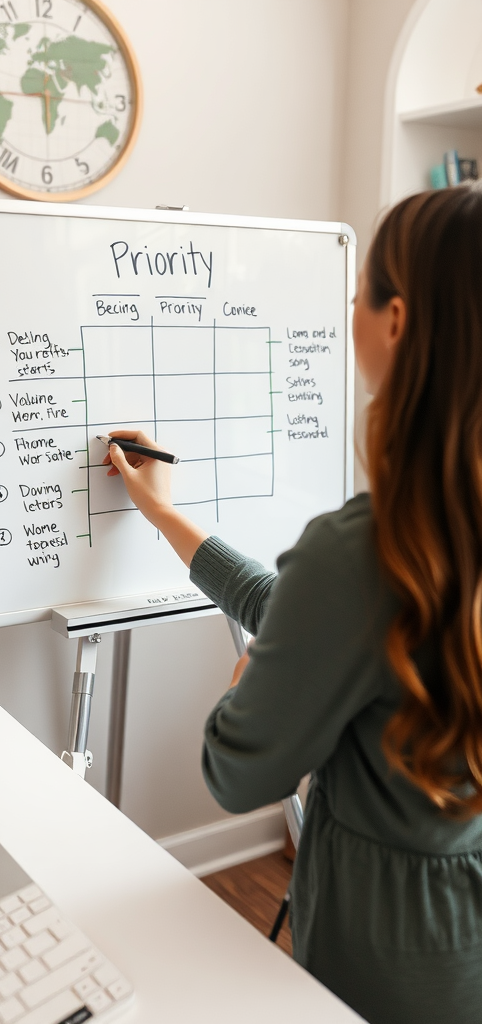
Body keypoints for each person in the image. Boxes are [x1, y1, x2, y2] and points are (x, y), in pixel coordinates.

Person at [102, 183, 482, 1024]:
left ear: (397, 321)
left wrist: (246, 683)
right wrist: (165, 514)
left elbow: (238, 772)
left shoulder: (365, 547)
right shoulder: (428, 537)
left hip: (391, 949)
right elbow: (314, 616)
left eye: (359, 298)